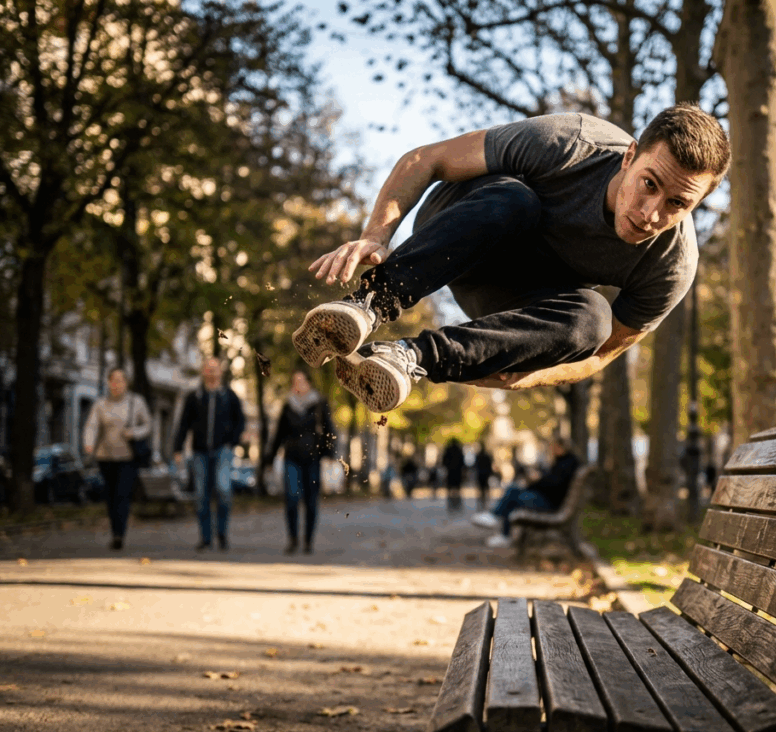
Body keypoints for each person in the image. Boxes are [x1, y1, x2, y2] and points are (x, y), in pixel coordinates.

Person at [291, 103, 730, 413]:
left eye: (677, 204)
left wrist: (527, 375)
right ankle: (367, 305)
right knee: (517, 200)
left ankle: (407, 358)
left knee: (592, 319)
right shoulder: (568, 143)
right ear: (629, 157)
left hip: (509, 295)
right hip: (466, 227)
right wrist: (376, 234)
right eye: (649, 184)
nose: (650, 214)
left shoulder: (671, 265)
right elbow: (426, 159)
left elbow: (604, 354)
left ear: (696, 205)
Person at [173, 357, 246, 551]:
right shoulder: (194, 396)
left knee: (223, 490)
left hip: (223, 450)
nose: (211, 373)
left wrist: (233, 442)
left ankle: (221, 533)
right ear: (203, 372)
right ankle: (206, 538)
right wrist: (177, 448)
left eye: (215, 369)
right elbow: (183, 424)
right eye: (208, 369)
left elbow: (240, 421)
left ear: (220, 372)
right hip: (199, 452)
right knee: (201, 495)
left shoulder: (229, 396)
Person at [263, 368, 336, 555]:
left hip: (313, 459)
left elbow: (329, 430)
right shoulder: (287, 405)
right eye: (294, 382)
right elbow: (279, 433)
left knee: (311, 502)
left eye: (301, 381)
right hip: (292, 458)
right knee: (292, 498)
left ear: (308, 383)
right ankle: (293, 539)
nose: (297, 385)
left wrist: (329, 455)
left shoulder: (319, 403)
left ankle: (308, 540)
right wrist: (270, 458)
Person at [82, 368, 152, 550]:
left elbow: (148, 425)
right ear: (109, 383)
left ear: (126, 383)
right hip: (105, 456)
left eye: (120, 380)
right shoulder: (101, 404)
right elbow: (91, 426)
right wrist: (88, 444)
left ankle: (119, 534)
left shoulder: (136, 402)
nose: (116, 384)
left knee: (122, 495)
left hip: (128, 457)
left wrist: (134, 432)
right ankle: (115, 531)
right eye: (113, 380)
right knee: (111, 497)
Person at [471, 436, 581, 548]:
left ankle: (498, 522)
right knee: (513, 490)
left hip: (551, 503)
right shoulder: (565, 462)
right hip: (551, 500)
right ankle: (498, 524)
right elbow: (551, 481)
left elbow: (553, 485)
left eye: (552, 446)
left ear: (560, 446)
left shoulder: (566, 464)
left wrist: (536, 480)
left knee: (513, 495)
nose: (550, 449)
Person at [441, 437, 465, 512]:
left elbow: (444, 461)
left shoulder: (448, 450)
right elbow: (462, 462)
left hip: (450, 472)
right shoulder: (459, 450)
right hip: (457, 472)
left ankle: (451, 504)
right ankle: (457, 504)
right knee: (457, 489)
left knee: (450, 489)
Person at [474, 441, 494, 510]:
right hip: (484, 473)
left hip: (481, 473)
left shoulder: (479, 455)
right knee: (484, 488)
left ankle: (483, 501)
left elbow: (476, 465)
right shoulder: (485, 455)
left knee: (482, 488)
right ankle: (484, 501)